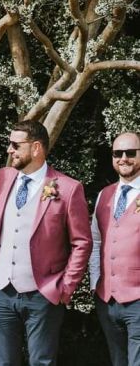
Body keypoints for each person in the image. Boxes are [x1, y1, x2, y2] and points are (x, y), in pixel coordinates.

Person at [0, 120, 92, 366]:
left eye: (15, 145)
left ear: (35, 148)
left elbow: (82, 242)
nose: (9, 150)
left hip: (42, 293)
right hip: (1, 291)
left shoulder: (68, 188)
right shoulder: (3, 178)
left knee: (42, 362)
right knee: (3, 362)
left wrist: (65, 288)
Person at [90, 131, 140, 366]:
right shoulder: (104, 196)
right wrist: (94, 285)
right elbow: (95, 242)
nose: (124, 158)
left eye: (131, 153)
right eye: (117, 153)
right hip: (107, 300)